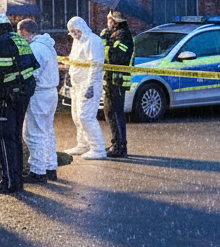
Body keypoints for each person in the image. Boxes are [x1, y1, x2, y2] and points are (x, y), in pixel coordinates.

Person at [0, 14, 38, 194]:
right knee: (14, 137)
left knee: (4, 140)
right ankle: (16, 180)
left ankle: (9, 182)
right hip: (21, 95)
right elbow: (30, 67)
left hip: (7, 98)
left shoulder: (2, 44)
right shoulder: (19, 40)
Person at [18, 19, 60, 183]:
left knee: (34, 133)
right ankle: (50, 167)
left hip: (39, 94)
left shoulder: (34, 48)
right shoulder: (48, 46)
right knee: (47, 131)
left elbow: (31, 74)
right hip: (50, 93)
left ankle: (37, 171)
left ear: (24, 31)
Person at [64, 15, 107, 160]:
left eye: (77, 31)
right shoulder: (77, 42)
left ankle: (98, 148)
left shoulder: (93, 41)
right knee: (76, 116)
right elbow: (75, 61)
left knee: (86, 116)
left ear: (82, 28)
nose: (75, 34)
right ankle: (83, 144)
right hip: (77, 84)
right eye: (72, 32)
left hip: (89, 85)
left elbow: (95, 65)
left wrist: (90, 86)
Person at [101, 10, 135, 158]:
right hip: (111, 79)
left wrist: (104, 41)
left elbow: (114, 57)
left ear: (115, 21)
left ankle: (121, 147)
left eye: (109, 20)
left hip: (118, 80)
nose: (107, 22)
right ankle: (116, 143)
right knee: (109, 112)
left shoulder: (124, 36)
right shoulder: (116, 34)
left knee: (115, 113)